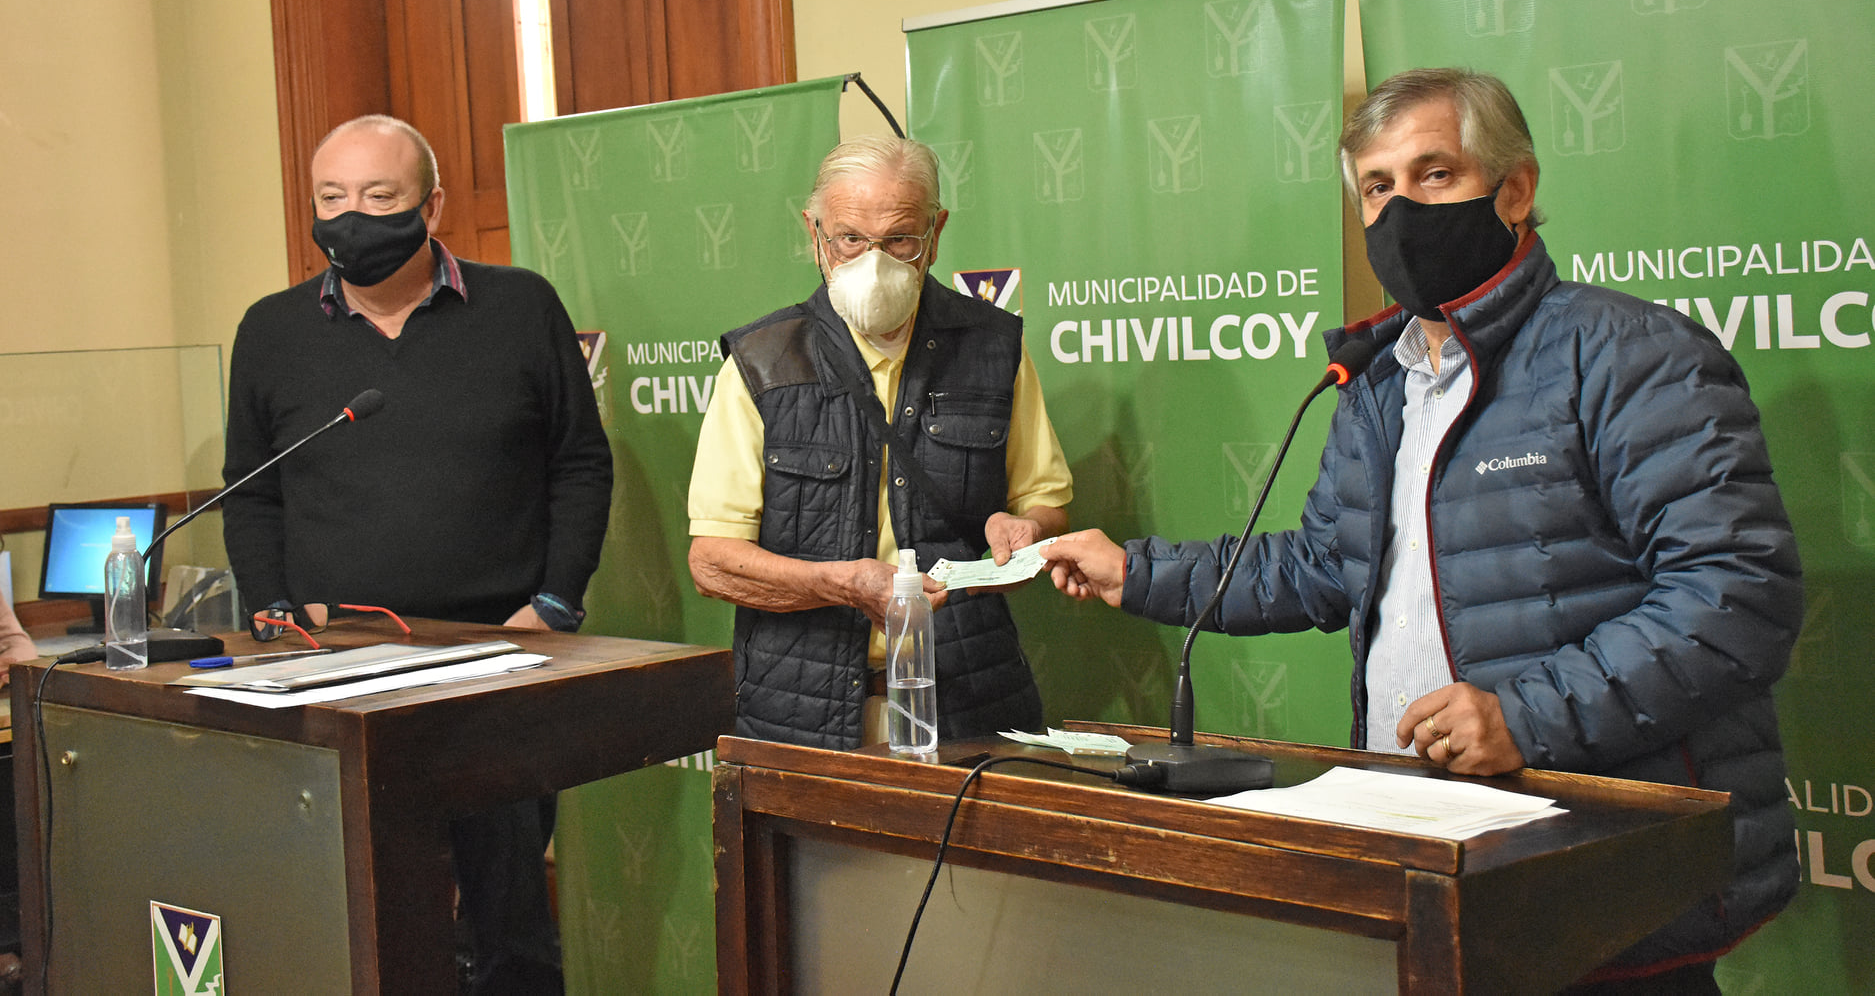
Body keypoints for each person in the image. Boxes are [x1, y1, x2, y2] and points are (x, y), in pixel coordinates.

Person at [1041, 69, 1801, 991]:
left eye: (1433, 174)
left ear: (1513, 190)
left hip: (1600, 874)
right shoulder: (1376, 381)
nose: (1399, 209)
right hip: (1428, 855)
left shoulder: (1628, 352)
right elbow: (1324, 564)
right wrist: (1133, 572)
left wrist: (1523, 717)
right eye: (1376, 186)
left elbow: (1735, 597)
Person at [221, 114, 613, 994]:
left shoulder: (521, 306)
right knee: (362, 918)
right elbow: (250, 489)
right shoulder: (271, 328)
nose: (350, 216)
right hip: (334, 667)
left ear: (431, 206)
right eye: (331, 197)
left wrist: (554, 601)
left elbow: (580, 463)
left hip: (498, 656)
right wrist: (270, 607)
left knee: (509, 925)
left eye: (378, 196)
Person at [688, 136, 1072, 749]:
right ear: (815, 233)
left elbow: (1045, 506)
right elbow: (712, 562)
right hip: (801, 714)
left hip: (969, 700)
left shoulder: (993, 347)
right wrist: (841, 583)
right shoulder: (761, 362)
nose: (874, 261)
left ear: (935, 235)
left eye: (899, 240)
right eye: (850, 238)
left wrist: (1027, 530)